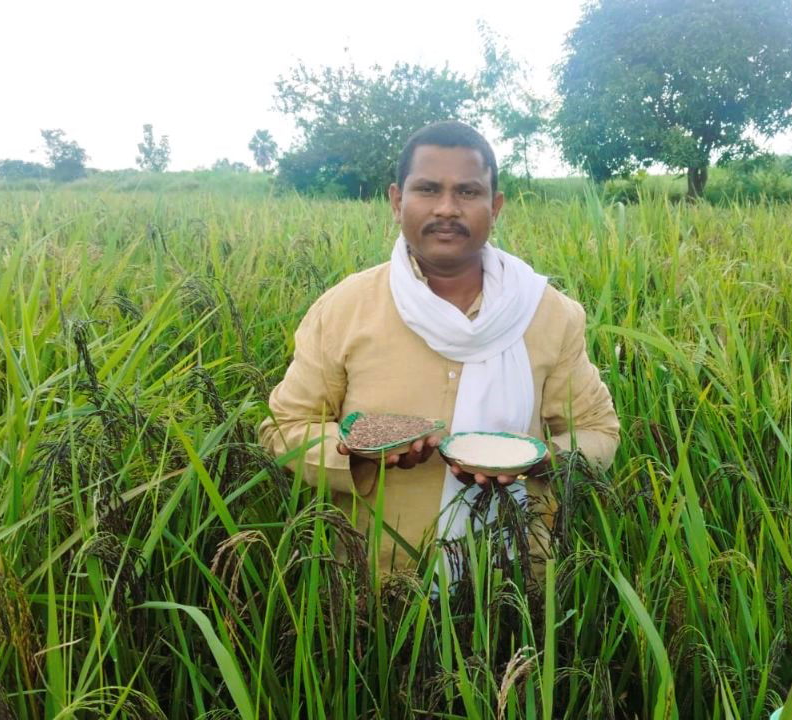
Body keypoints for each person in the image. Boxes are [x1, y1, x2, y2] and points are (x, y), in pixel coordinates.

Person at [257, 120, 619, 572]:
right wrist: (356, 450)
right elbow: (283, 427)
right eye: (428, 189)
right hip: (377, 583)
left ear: (496, 206)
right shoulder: (344, 309)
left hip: (512, 582)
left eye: (468, 192)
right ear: (396, 200)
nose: (447, 208)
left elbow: (599, 432)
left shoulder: (547, 313)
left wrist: (543, 459)